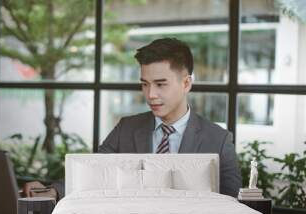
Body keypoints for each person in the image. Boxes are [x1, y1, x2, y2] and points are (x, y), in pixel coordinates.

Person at [98, 38, 241, 197]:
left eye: (160, 84)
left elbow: (231, 204)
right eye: (145, 84)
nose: (150, 95)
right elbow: (93, 175)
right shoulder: (125, 129)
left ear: (186, 84)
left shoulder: (218, 141)